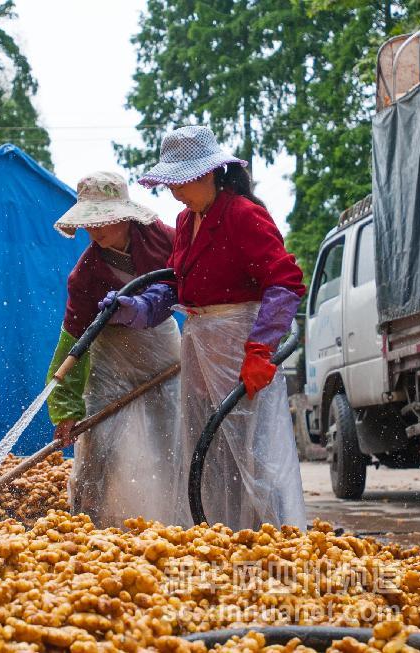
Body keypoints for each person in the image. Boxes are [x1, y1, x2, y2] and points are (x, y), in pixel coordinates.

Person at [100, 126, 307, 531]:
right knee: (207, 450)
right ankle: (220, 533)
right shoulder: (185, 220)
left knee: (255, 453)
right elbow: (178, 285)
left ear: (209, 173)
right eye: (170, 181)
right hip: (201, 342)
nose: (174, 189)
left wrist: (261, 349)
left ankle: (279, 538)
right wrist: (136, 308)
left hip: (239, 344)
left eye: (181, 179)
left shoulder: (243, 215)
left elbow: (285, 282)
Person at [46, 171, 183, 529]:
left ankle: (174, 517)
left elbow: (185, 279)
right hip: (111, 353)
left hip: (160, 347)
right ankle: (92, 520)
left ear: (124, 215)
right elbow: (74, 340)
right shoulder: (86, 274)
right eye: (88, 224)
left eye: (101, 220)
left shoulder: (163, 239)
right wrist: (66, 405)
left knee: (169, 433)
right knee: (101, 442)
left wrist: (148, 304)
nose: (94, 231)